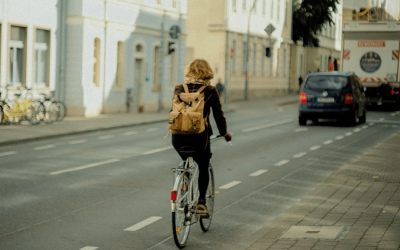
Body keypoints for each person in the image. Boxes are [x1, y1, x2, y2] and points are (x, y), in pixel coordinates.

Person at [171, 59, 232, 218]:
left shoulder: (179, 89)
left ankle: (183, 188)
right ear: (207, 73)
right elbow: (218, 116)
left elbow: (174, 112)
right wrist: (224, 133)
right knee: (203, 165)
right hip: (200, 138)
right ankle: (201, 203)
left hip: (177, 138)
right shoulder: (210, 90)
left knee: (186, 160)